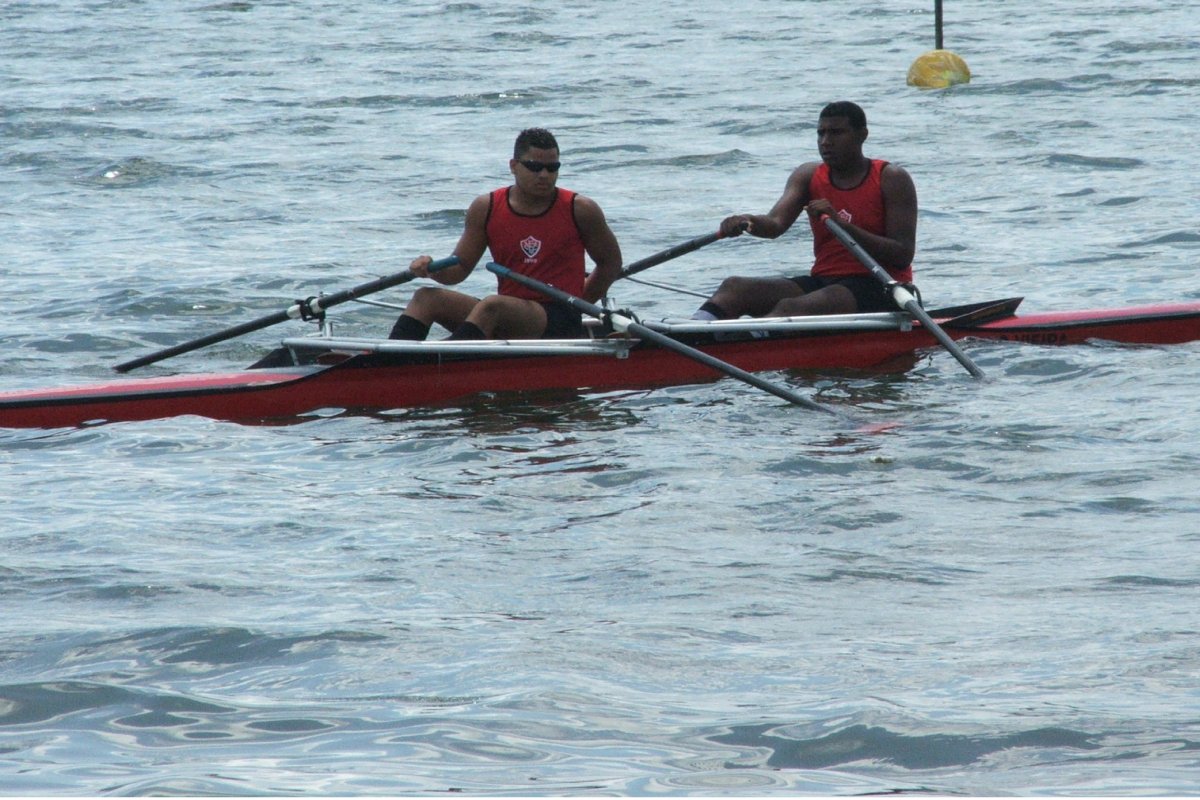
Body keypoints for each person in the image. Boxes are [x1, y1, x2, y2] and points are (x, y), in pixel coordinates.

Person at [390, 128, 623, 341]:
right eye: (534, 167)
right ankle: (385, 362)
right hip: (509, 314)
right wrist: (431, 269)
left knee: (492, 306)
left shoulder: (580, 209)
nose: (544, 175)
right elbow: (459, 269)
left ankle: (438, 363)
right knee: (426, 298)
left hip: (557, 316)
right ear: (513, 166)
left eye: (552, 168)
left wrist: (578, 304)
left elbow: (610, 264)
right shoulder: (487, 207)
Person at [693, 101, 917, 320]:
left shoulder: (891, 178)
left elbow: (903, 254)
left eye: (836, 133)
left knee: (791, 307)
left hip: (882, 286)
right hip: (825, 281)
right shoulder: (808, 175)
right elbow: (774, 225)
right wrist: (747, 220)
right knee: (735, 287)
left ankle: (745, 340)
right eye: (821, 133)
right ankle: (692, 334)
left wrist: (842, 226)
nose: (826, 142)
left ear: (862, 135)